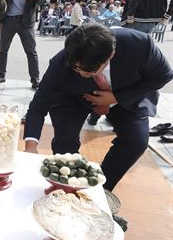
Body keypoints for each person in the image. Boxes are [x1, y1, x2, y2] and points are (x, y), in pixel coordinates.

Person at [24, 23, 173, 195]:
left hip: (126, 94)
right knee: (64, 140)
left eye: (87, 72)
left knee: (136, 141)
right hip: (74, 97)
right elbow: (38, 106)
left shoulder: (138, 44)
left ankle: (99, 190)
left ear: (110, 56)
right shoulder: (62, 62)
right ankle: (68, 186)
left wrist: (116, 97)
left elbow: (163, 75)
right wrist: (30, 146)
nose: (80, 73)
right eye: (76, 68)